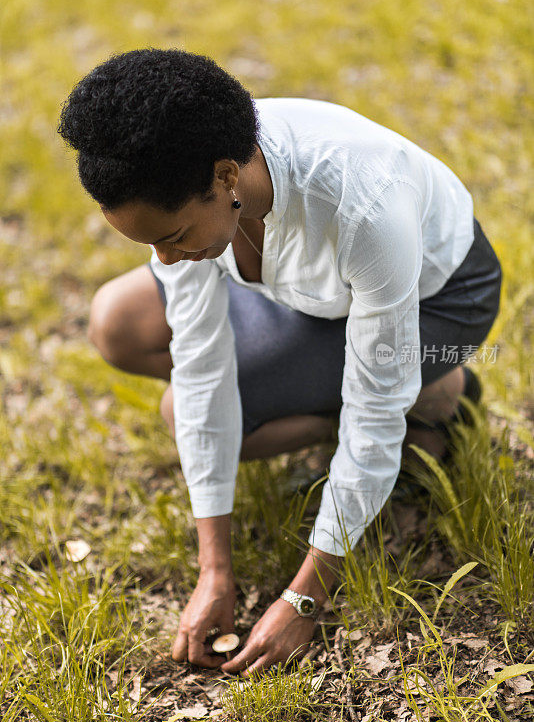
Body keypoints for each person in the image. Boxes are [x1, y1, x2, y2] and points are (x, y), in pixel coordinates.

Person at [57, 48, 502, 676]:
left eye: (175, 236)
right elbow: (203, 368)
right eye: (149, 243)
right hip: (314, 293)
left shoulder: (363, 201)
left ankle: (436, 390)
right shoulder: (198, 169)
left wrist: (305, 597)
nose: (166, 259)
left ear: (225, 178)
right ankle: (382, 398)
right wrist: (216, 569)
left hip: (440, 304)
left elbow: (373, 411)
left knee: (358, 400)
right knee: (119, 321)